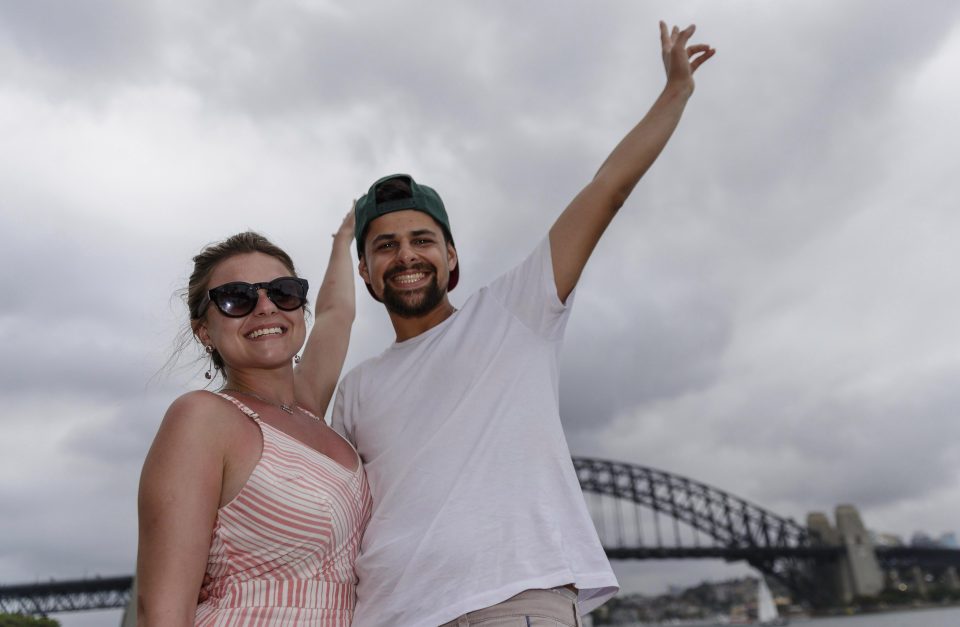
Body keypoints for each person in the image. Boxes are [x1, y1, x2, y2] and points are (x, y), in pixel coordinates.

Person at [331, 22, 715, 626]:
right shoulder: (354, 389)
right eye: (385, 246)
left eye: (422, 239)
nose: (405, 256)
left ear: (451, 256)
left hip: (514, 599)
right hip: (391, 614)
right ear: (366, 271)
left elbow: (607, 190)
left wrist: (674, 93)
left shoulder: (516, 311)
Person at [137, 214, 371, 626]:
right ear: (204, 330)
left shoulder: (307, 409)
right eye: (235, 298)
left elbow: (337, 314)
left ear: (301, 308)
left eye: (284, 292)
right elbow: (160, 611)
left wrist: (344, 239)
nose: (265, 307)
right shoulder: (202, 420)